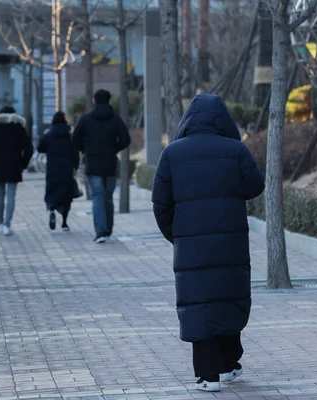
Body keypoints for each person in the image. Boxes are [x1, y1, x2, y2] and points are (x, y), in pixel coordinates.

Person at [151, 94, 265, 392]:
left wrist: (176, 236)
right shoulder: (235, 150)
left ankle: (208, 376)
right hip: (231, 244)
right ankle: (229, 364)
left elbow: (160, 203)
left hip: (191, 247)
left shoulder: (172, 153)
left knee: (200, 304)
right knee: (227, 298)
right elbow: (255, 186)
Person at [72, 89, 130, 243]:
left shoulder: (86, 119)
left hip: (93, 161)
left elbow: (75, 137)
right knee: (108, 197)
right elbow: (126, 139)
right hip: (110, 162)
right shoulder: (115, 119)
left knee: (97, 195)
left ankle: (101, 231)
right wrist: (114, 148)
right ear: (109, 100)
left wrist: (86, 149)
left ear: (94, 101)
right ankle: (108, 229)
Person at [0, 105, 33, 236]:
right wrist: (23, 164)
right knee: (11, 196)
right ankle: (7, 224)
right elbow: (29, 149)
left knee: (0, 195)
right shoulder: (19, 129)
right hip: (14, 166)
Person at [37, 111, 79, 232]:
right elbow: (75, 154)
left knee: (52, 192)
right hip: (67, 170)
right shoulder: (70, 135)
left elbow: (40, 148)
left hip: (53, 169)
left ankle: (51, 209)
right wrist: (74, 167)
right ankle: (64, 223)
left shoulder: (49, 135)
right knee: (67, 196)